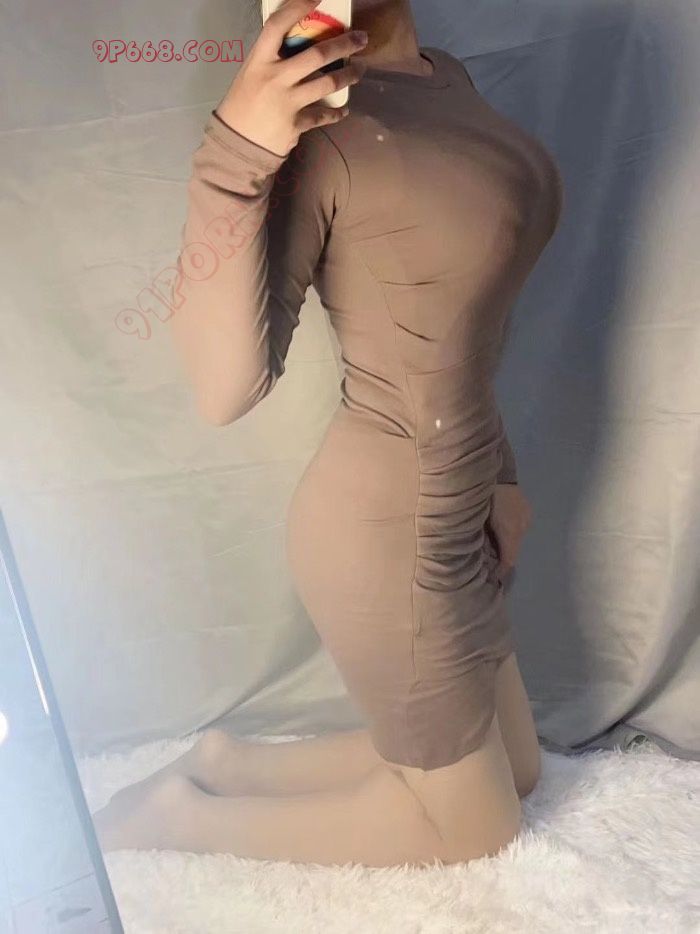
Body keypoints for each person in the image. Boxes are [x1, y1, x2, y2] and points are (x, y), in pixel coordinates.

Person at [93, 0, 563, 867]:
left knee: (521, 772)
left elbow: (461, 329)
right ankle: (175, 818)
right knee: (476, 833)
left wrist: (502, 475)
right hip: (386, 530)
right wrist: (239, 150)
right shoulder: (315, 119)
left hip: (463, 500)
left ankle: (227, 766)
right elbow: (226, 389)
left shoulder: (443, 77)